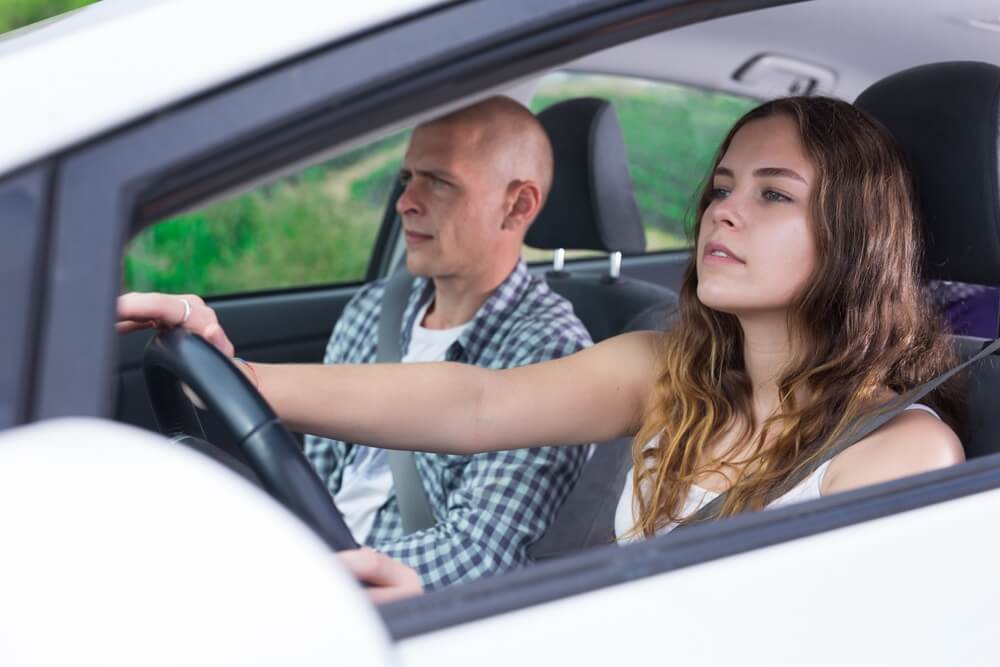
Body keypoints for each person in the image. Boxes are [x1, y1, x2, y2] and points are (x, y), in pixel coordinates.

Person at [119, 96, 965, 601]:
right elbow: (475, 400)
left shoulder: (899, 454)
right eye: (719, 188)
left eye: (773, 193)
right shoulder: (669, 371)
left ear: (855, 235)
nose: (723, 213)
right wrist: (240, 373)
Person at [119, 96, 593, 593]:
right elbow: (311, 479)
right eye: (408, 177)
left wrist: (301, 580)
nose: (405, 201)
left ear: (517, 206)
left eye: (440, 181)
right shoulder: (373, 311)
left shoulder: (550, 352)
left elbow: (475, 555)